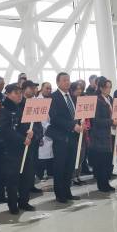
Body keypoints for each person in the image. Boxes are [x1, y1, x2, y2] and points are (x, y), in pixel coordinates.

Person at [0, 83, 36, 214]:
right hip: (11, 149)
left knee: (27, 176)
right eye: (16, 93)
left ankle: (24, 201)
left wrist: (31, 133)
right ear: (7, 94)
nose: (19, 95)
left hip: (25, 147)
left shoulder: (22, 107)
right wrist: (21, 139)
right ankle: (13, 204)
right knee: (12, 178)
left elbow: (27, 124)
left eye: (20, 92)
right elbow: (5, 130)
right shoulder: (3, 109)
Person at [46, 72, 83, 203]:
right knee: (60, 166)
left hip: (73, 136)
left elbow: (76, 114)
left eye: (68, 80)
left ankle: (68, 192)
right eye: (64, 80)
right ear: (58, 82)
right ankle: (60, 194)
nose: (67, 82)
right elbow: (55, 118)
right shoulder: (53, 97)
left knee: (70, 166)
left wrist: (80, 123)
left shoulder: (73, 97)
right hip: (60, 137)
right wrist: (72, 125)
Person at [89, 76, 117, 192]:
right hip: (100, 135)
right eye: (107, 87)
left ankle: (106, 182)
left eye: (110, 87)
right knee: (101, 161)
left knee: (108, 160)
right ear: (101, 88)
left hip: (110, 133)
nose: (109, 89)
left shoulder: (109, 99)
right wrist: (111, 122)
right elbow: (96, 120)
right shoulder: (97, 100)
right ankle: (102, 184)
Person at [21, 81, 43, 194]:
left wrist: (40, 135)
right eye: (31, 88)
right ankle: (24, 186)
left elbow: (38, 121)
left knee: (34, 162)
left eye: (34, 88)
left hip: (35, 138)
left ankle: (31, 184)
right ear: (24, 89)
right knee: (26, 164)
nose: (34, 90)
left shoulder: (35, 103)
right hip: (26, 139)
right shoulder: (21, 103)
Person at [69, 81, 87, 185]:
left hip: (82, 130)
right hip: (74, 131)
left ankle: (78, 175)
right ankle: (72, 176)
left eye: (80, 89)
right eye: (77, 89)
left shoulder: (83, 99)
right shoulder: (71, 101)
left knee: (81, 155)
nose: (79, 91)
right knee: (74, 155)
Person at [37, 82, 53, 180]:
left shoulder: (51, 99)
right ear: (42, 88)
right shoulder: (38, 101)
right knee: (42, 156)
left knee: (50, 155)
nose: (49, 90)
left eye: (50, 88)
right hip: (43, 132)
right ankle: (40, 175)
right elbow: (41, 120)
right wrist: (49, 127)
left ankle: (49, 172)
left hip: (51, 131)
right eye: (47, 88)